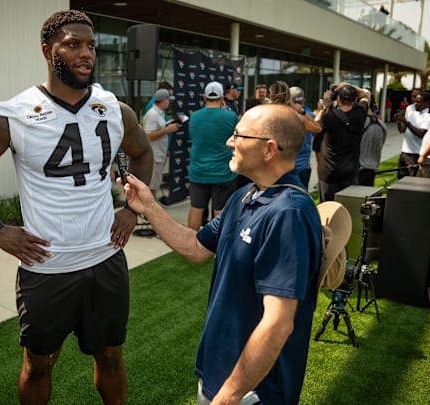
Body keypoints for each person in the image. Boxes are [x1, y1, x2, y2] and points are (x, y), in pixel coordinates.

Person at [0, 10, 153, 404]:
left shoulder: (113, 108)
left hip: (105, 259)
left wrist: (131, 210)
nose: (85, 53)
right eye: (73, 44)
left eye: (90, 45)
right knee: (39, 363)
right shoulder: (15, 112)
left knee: (111, 357)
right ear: (47, 50)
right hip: (47, 267)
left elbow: (142, 155)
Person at [123, 103, 322, 405]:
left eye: (239, 135)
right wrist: (149, 207)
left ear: (269, 149)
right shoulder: (244, 196)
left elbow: (278, 323)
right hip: (220, 376)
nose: (230, 142)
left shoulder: (288, 213)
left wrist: (231, 394)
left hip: (253, 392)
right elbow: (196, 247)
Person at [186, 81, 239, 230]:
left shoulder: (195, 117)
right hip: (223, 172)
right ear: (222, 98)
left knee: (196, 208)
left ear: (204, 98)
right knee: (220, 210)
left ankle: (191, 245)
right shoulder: (231, 116)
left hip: (199, 171)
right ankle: (217, 246)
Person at [317, 84, 369, 201]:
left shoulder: (328, 118)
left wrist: (325, 105)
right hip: (350, 172)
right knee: (347, 209)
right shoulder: (360, 114)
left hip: (329, 172)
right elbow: (365, 95)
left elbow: (315, 126)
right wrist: (348, 86)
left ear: (339, 99)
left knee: (328, 210)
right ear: (355, 99)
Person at [145, 88, 181, 197]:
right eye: (168, 100)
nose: (169, 103)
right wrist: (167, 130)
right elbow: (148, 136)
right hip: (154, 156)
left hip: (159, 155)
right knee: (152, 185)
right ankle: (150, 210)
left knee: (155, 184)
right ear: (164, 101)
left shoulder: (159, 113)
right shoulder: (153, 115)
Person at [289, 86, 322, 188]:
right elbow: (318, 127)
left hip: (288, 166)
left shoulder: (282, 116)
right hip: (301, 166)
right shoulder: (309, 116)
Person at [395, 91, 430, 178]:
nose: (416, 104)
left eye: (419, 102)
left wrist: (406, 122)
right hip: (405, 152)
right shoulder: (413, 113)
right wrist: (399, 121)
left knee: (412, 179)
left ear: (427, 103)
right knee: (401, 178)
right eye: (415, 101)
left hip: (415, 153)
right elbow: (402, 130)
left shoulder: (428, 116)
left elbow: (421, 133)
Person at [358, 104, 387, 186]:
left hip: (359, 167)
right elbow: (382, 143)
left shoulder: (361, 123)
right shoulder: (382, 125)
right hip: (373, 167)